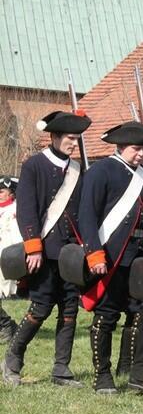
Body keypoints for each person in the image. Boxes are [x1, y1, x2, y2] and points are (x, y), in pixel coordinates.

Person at [1, 111, 90, 388]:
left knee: (70, 309)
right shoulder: (34, 166)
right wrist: (33, 247)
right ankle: (13, 359)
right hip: (44, 249)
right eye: (70, 138)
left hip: (70, 252)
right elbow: (27, 209)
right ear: (54, 137)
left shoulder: (77, 169)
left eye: (76, 139)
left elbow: (81, 212)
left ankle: (61, 369)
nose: (74, 143)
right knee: (40, 308)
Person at [76, 121, 143, 395]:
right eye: (137, 149)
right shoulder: (101, 171)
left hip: (142, 255)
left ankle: (134, 371)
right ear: (121, 146)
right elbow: (87, 215)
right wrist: (94, 253)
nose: (141, 154)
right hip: (113, 255)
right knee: (106, 315)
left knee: (141, 314)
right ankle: (102, 376)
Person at [0, 176, 21, 342]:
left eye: (1, 191)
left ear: (11, 193)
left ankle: (6, 325)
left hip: (6, 255)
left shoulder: (16, 210)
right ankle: (7, 325)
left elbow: (16, 237)